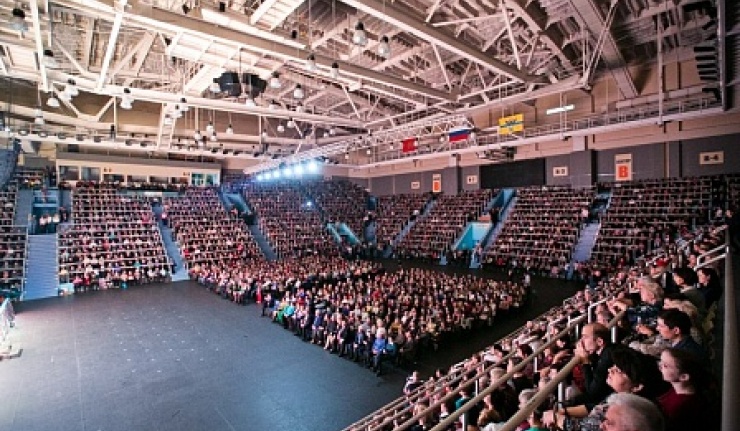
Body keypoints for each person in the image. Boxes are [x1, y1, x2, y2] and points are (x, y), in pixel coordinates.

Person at [657, 348, 717, 431]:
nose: (660, 367)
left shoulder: (685, 407)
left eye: (665, 365)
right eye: (660, 362)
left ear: (684, 377)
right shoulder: (677, 391)